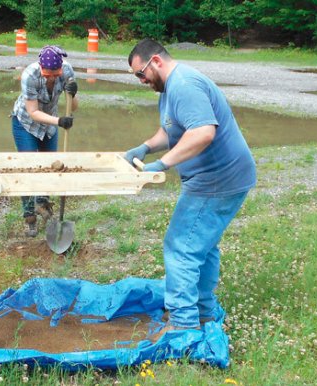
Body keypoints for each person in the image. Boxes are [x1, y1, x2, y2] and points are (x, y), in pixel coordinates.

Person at [123, 39, 256, 333]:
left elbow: (203, 132)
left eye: (140, 73)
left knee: (181, 247)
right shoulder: (170, 89)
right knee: (203, 247)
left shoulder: (184, 84)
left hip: (218, 180)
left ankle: (183, 325)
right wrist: (145, 148)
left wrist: (164, 163)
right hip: (220, 178)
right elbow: (171, 129)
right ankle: (204, 312)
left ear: (155, 61)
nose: (141, 80)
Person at [11, 45, 79, 237]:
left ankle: (43, 204)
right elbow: (33, 112)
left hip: (51, 122)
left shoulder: (67, 71)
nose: (51, 78)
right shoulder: (29, 76)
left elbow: (74, 106)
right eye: (47, 74)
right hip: (26, 123)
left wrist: (72, 94)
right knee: (28, 167)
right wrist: (59, 122)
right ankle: (29, 218)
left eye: (54, 75)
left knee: (51, 166)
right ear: (41, 68)